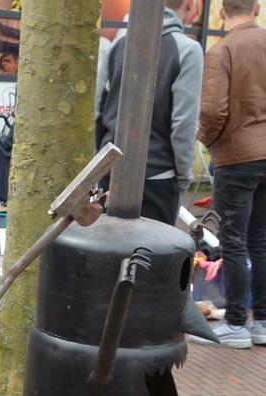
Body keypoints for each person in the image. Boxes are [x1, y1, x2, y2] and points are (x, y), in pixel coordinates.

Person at [195, 0, 266, 349]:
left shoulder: (222, 51)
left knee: (233, 240)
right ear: (256, 9)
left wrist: (209, 140)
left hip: (237, 155)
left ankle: (236, 323)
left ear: (222, 12)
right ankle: (262, 321)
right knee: (261, 239)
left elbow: (212, 110)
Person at [96, 0, 204, 226]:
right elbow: (183, 124)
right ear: (190, 5)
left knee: (109, 245)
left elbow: (99, 109)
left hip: (110, 171)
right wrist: (183, 177)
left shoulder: (119, 45)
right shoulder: (188, 50)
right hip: (158, 177)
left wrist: (100, 160)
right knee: (153, 248)